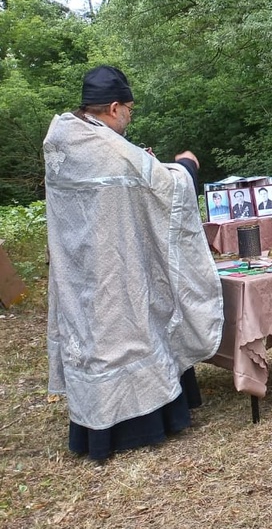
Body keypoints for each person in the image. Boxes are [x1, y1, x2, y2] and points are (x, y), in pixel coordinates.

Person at [44, 65, 223, 460]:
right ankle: (140, 424)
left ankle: (94, 426)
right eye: (128, 109)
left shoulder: (62, 138)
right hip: (116, 267)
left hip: (78, 269)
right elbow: (167, 189)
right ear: (112, 107)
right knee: (129, 331)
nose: (129, 117)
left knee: (94, 338)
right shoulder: (109, 148)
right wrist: (187, 166)